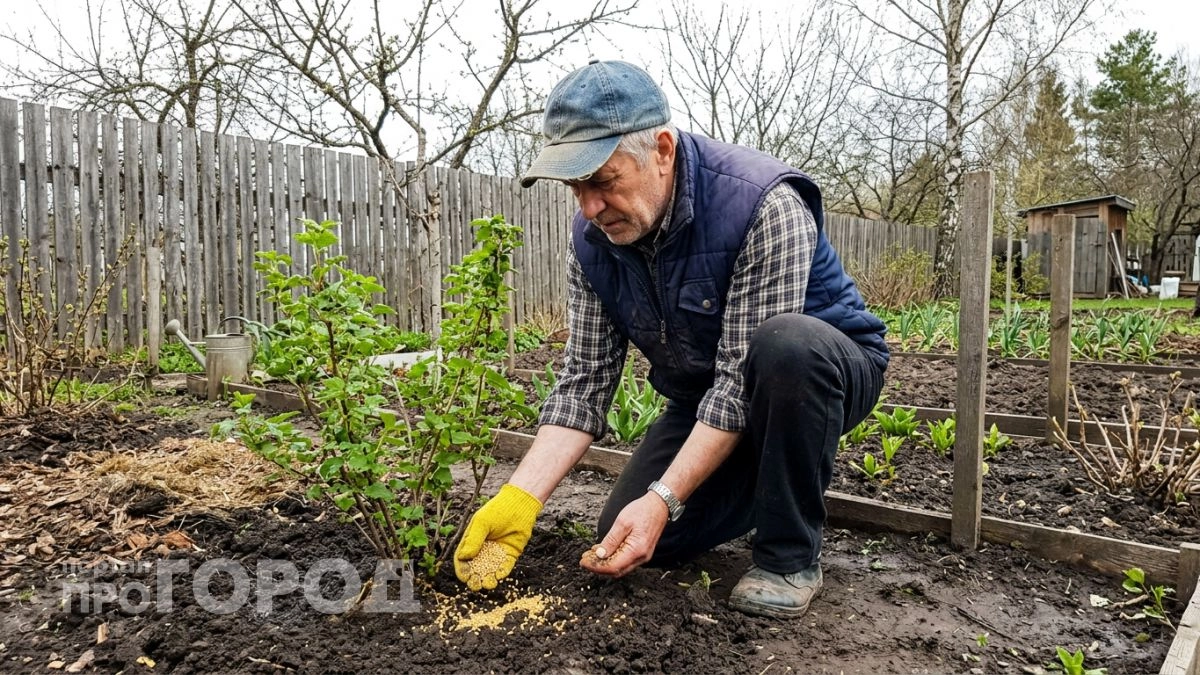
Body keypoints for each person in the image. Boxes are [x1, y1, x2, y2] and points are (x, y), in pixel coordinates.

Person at [453, 59, 889, 619]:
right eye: (575, 187)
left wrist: (664, 497)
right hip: (705, 396)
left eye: (603, 181)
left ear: (661, 150)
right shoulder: (592, 241)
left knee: (786, 345)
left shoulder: (763, 203)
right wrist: (521, 498)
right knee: (627, 538)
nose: (589, 207)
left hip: (817, 373)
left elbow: (739, 384)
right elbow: (584, 382)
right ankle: (762, 475)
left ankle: (788, 556)